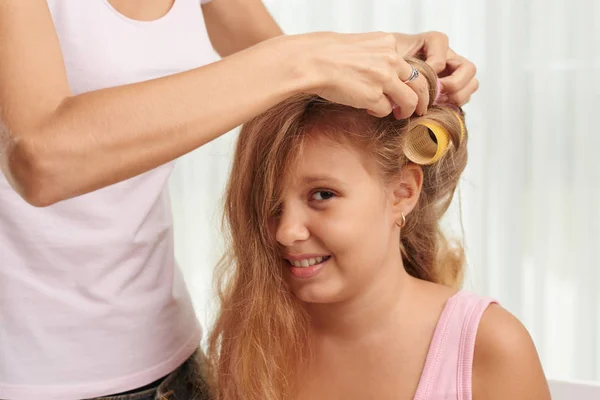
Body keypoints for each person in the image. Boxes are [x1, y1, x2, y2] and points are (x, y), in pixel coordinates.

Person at [0, 0, 478, 399]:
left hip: (172, 362)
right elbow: (40, 159)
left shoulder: (481, 341)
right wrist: (305, 61)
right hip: (31, 375)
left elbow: (294, 95)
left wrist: (393, 61)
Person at [207, 58, 550, 400]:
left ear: (402, 193)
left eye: (322, 195)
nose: (286, 232)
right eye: (269, 203)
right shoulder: (256, 343)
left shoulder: (489, 347)